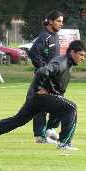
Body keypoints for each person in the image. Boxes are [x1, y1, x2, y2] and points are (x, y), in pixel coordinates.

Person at [0, 40, 86, 150]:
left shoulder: (67, 63)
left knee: (16, 121)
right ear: (72, 52)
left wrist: (48, 90)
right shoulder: (61, 62)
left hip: (37, 98)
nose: (83, 58)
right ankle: (64, 143)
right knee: (71, 107)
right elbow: (42, 72)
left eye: (84, 56)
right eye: (81, 55)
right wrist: (39, 88)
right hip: (40, 97)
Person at [28, 10, 63, 144]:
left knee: (59, 101)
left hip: (53, 77)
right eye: (58, 21)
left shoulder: (54, 36)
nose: (61, 24)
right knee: (41, 105)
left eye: (61, 21)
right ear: (50, 21)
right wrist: (43, 68)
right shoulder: (45, 36)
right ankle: (40, 135)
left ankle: (49, 129)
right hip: (44, 77)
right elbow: (33, 52)